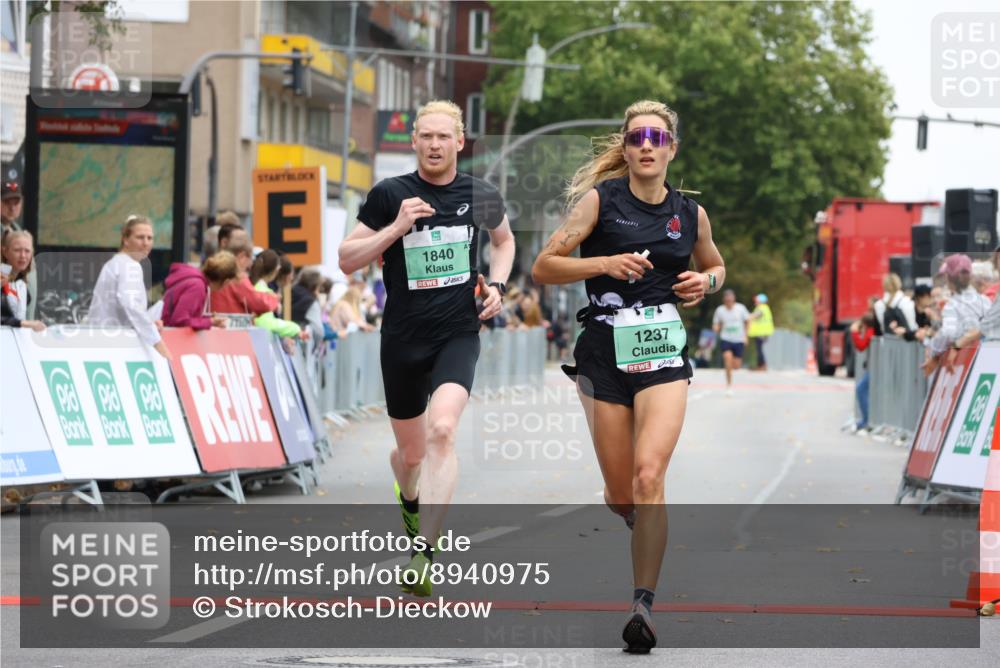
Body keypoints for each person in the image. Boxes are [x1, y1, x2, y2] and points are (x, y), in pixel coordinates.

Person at [531, 99, 725, 654]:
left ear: (671, 149)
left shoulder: (690, 214)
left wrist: (704, 285)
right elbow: (545, 266)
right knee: (622, 496)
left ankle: (643, 604)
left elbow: (715, 265)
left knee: (648, 476)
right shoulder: (601, 202)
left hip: (662, 351)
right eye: (637, 135)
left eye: (657, 137)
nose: (646, 144)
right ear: (625, 144)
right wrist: (603, 264)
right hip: (602, 355)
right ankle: (636, 523)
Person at [338, 99, 515, 598]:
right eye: (426, 136)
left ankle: (424, 555)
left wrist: (498, 288)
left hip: (457, 333)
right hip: (401, 340)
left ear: (460, 142)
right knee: (410, 456)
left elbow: (504, 243)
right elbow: (346, 260)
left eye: (444, 137)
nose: (435, 145)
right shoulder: (390, 193)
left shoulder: (479, 193)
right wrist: (395, 228)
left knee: (442, 430)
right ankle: (409, 496)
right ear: (414, 141)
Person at [86, 215, 170, 358]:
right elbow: (132, 306)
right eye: (140, 237)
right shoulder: (128, 265)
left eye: (150, 238)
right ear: (125, 239)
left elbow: (127, 309)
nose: (146, 243)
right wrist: (158, 343)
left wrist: (148, 322)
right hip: (111, 345)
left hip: (106, 341)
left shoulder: (119, 263)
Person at [924, 253, 991, 375]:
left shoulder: (951, 306)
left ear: (949, 278)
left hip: (964, 366)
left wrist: (933, 351)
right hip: (988, 362)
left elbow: (948, 333)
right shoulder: (985, 301)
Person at [161, 252, 237, 329]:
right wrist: (210, 322)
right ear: (226, 282)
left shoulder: (194, 277)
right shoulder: (197, 287)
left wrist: (207, 319)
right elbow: (180, 320)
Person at [208, 234, 279, 316]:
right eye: (251, 258)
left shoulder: (214, 269)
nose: (251, 264)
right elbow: (258, 303)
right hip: (231, 326)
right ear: (242, 256)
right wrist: (273, 299)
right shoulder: (237, 276)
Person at [249, 249, 303, 339]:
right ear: (276, 270)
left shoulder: (260, 289)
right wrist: (296, 329)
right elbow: (266, 323)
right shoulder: (263, 291)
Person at [1, 231, 44, 331]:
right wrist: (24, 323)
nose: (23, 256)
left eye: (27, 251)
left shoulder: (21, 283)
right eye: (17, 250)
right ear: (5, 252)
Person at [712, 290, 750, 396]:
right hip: (726, 338)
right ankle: (729, 385)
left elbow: (747, 321)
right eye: (727, 300)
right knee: (727, 359)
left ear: (734, 299)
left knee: (736, 366)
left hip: (738, 339)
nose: (729, 302)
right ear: (724, 300)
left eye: (730, 300)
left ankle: (731, 369)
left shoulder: (741, 308)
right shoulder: (720, 310)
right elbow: (716, 324)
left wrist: (746, 336)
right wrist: (716, 328)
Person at [849, 311, 877, 434]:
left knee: (861, 389)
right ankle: (866, 419)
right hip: (873, 367)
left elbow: (861, 346)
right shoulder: (870, 331)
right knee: (862, 389)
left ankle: (867, 420)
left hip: (875, 368)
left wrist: (855, 332)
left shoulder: (870, 332)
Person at [747, 293, 774, 370]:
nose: (755, 301)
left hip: (761, 332)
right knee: (760, 349)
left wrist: (746, 316)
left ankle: (762, 366)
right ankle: (760, 365)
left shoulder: (762, 308)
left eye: (757, 300)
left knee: (760, 349)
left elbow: (753, 316)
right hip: (762, 332)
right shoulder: (764, 308)